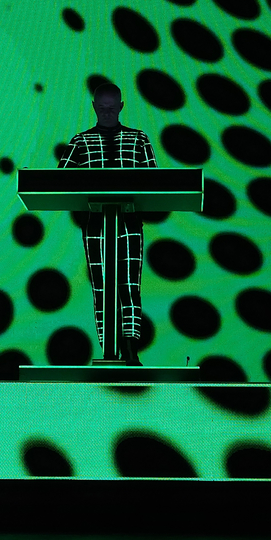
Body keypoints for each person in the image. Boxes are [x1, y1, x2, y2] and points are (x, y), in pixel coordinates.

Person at [61, 83, 156, 365]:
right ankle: (109, 351)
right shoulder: (80, 142)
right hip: (96, 225)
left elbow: (155, 182)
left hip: (129, 222)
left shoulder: (139, 139)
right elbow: (58, 180)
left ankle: (130, 350)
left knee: (129, 285)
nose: (106, 113)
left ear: (121, 107)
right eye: (101, 109)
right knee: (102, 288)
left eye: (111, 109)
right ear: (93, 107)